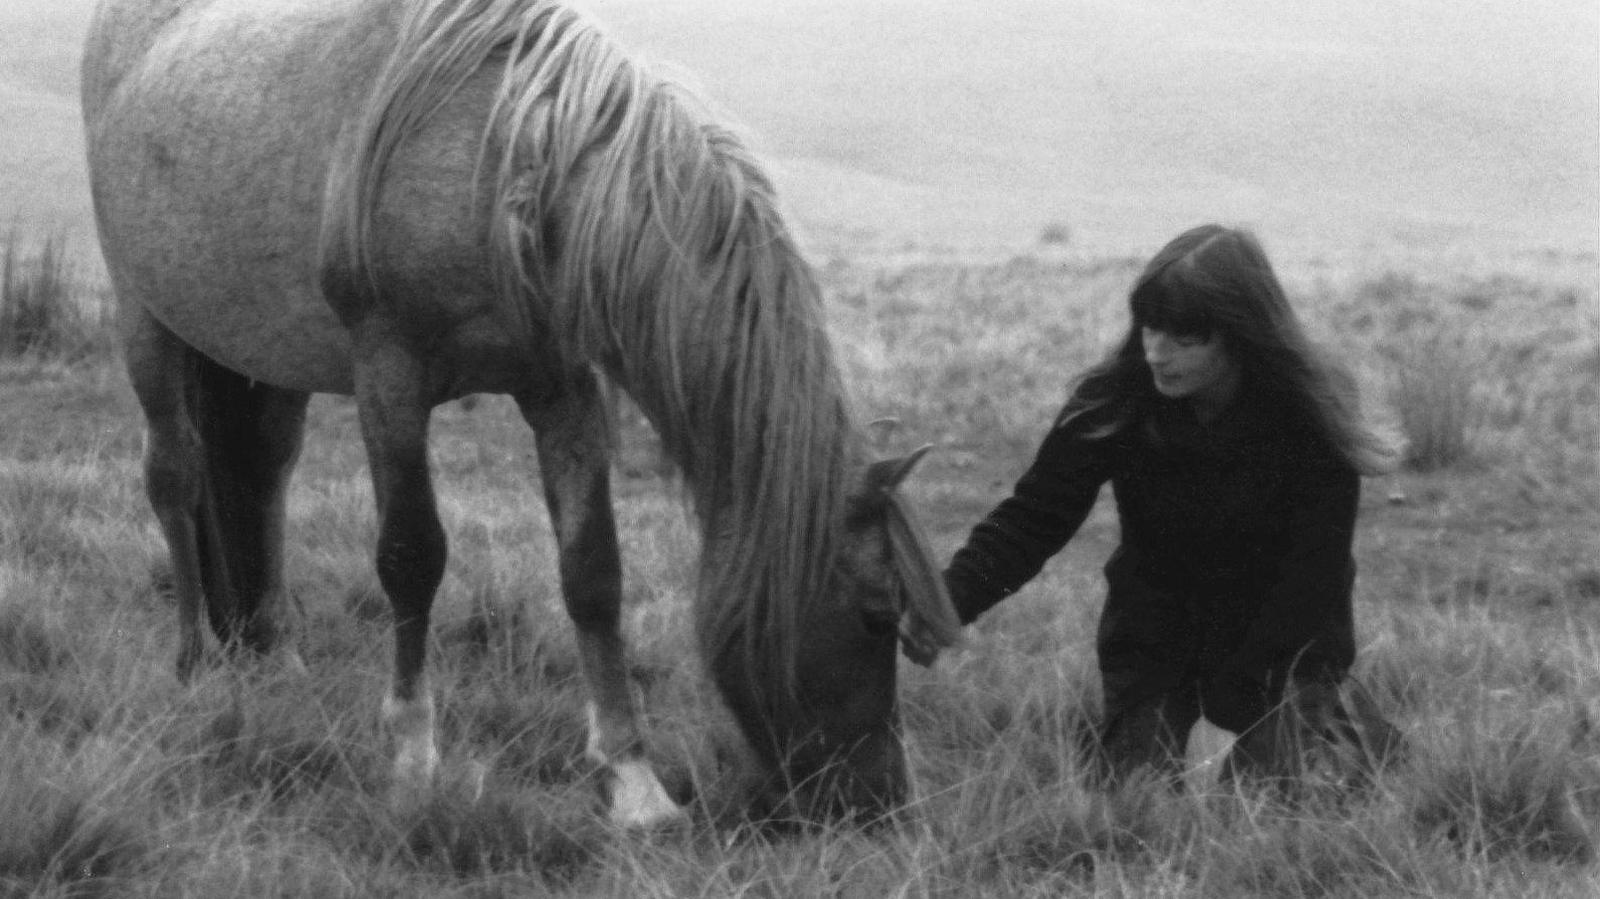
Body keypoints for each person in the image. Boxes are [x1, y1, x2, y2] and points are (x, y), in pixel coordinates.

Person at [941, 224, 1403, 789]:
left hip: (1284, 661)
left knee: (1280, 803)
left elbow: (1313, 581)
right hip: (1155, 656)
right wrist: (946, 602)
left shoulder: (1310, 415)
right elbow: (1033, 519)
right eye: (1151, 329)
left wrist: (1230, 719)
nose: (1158, 354)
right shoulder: (1112, 403)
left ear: (1239, 334)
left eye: (1185, 339)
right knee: (1140, 799)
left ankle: (1349, 734)